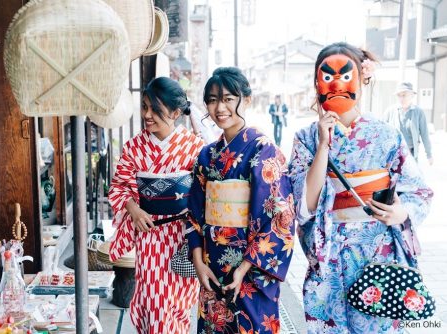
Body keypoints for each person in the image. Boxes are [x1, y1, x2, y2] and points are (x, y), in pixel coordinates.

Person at [289, 42, 433, 333]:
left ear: (362, 79)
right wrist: (323, 145)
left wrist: (401, 212)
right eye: (327, 77)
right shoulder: (306, 137)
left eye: (346, 75)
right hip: (329, 252)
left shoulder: (385, 135)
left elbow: (419, 191)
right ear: (317, 82)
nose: (337, 84)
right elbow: (306, 203)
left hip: (378, 251)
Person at [186, 67, 295, 333]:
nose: (219, 107)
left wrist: (244, 267)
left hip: (251, 271)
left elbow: (279, 216)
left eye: (228, 99)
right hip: (213, 265)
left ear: (246, 100)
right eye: (212, 100)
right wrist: (200, 264)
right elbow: (194, 213)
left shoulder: (263, 150)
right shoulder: (206, 156)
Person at [108, 77, 204, 333]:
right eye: (144, 107)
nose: (147, 115)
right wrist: (134, 209)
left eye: (155, 110)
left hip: (182, 237)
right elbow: (118, 186)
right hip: (149, 236)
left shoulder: (194, 147)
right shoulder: (134, 147)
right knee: (152, 302)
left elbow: (205, 191)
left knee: (177, 304)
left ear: (175, 112)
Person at [384, 82, 433, 165]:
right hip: (394, 154)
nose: (401, 98)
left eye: (404, 95)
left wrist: (429, 155)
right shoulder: (390, 111)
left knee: (412, 177)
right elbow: (383, 131)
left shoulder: (418, 112)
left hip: (411, 154)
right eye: (399, 95)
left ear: (412, 95)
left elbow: (425, 134)